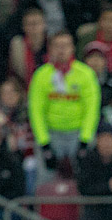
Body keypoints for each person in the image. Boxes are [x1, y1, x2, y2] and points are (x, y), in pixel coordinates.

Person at [28, 30, 101, 177]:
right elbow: (36, 110)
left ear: (72, 48)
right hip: (51, 134)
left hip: (78, 133)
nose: (61, 50)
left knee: (86, 178)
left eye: (65, 45)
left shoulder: (86, 74)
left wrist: (85, 140)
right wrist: (44, 143)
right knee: (45, 179)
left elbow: (92, 109)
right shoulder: (41, 75)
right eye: (57, 46)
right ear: (50, 48)